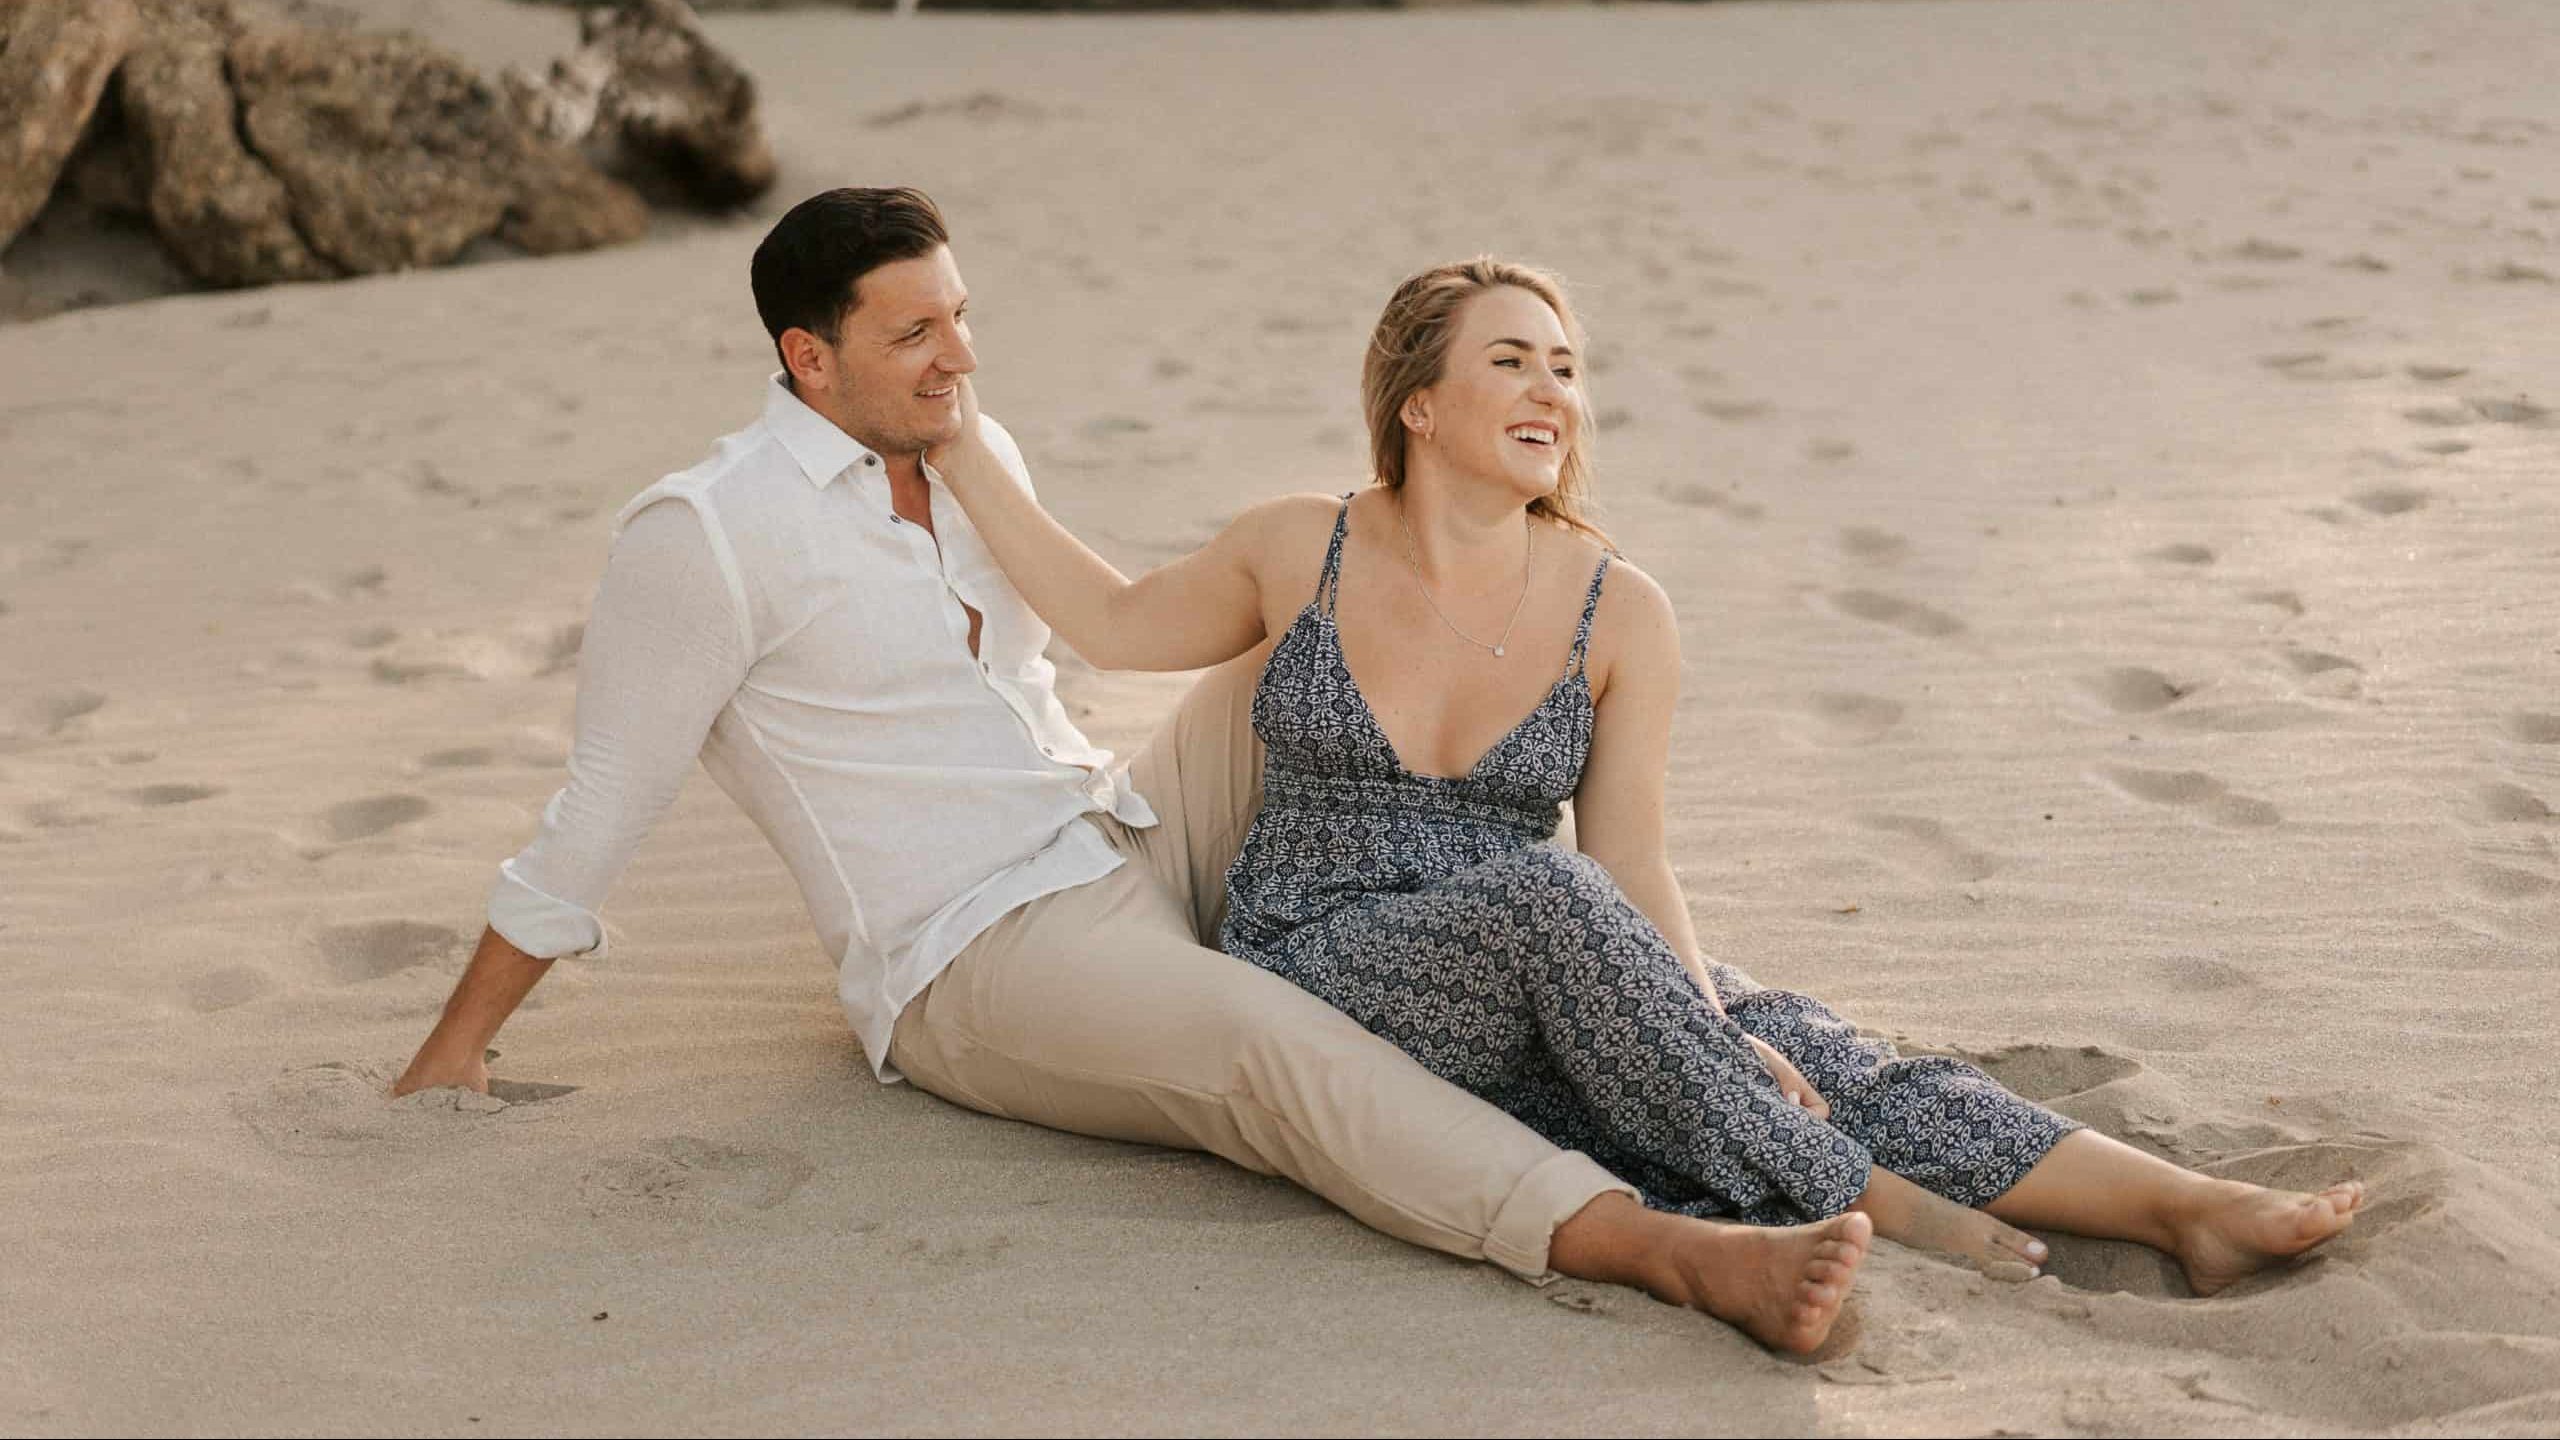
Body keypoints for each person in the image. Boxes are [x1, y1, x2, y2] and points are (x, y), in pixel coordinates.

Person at [389, 188, 1873, 1355]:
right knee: (1272, 1048)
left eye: (961, 317)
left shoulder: (971, 451)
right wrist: (456, 1049)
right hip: (978, 947)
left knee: (1313, 624)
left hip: (1122, 827)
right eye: (914, 336)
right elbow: (602, 803)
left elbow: (1095, 638)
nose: (959, 358)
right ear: (808, 358)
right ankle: (1658, 1244)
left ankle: (1595, 968)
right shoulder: (703, 535)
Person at [923, 254, 2368, 1302]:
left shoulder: (1621, 609)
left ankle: (2181, 1206)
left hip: (1547, 941)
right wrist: (963, 450)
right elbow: (1112, 623)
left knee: (1788, 1033)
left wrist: (1710, 1019)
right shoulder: (1303, 544)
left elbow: (1631, 859)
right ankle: (1872, 1200)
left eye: (1566, 366)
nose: (1551, 389)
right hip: (1323, 955)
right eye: (1511, 359)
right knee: (1565, 920)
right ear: (1417, 403)